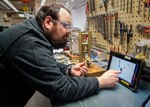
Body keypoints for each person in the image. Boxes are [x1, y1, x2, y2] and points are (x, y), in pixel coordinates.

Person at [0, 2, 120, 107]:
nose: (69, 31)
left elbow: (45, 64)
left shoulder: (34, 33)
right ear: (48, 22)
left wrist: (68, 70)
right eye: (66, 25)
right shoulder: (30, 44)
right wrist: (100, 81)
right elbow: (60, 88)